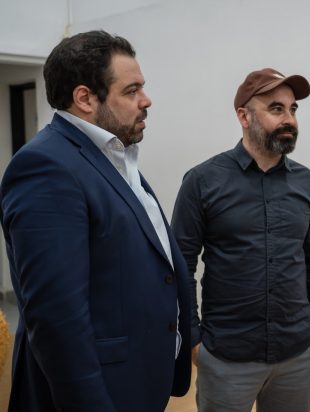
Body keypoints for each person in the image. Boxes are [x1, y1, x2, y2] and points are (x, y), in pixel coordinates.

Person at [0, 30, 191, 411]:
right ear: (85, 98)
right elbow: (57, 319)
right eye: (132, 90)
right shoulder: (46, 166)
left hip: (137, 375)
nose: (146, 100)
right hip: (98, 391)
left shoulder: (114, 156)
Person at [172, 68, 310, 412]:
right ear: (244, 116)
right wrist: (194, 338)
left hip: (298, 351)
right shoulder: (202, 181)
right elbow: (179, 265)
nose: (289, 119)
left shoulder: (306, 182)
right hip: (226, 355)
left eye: (292, 109)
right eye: (276, 109)